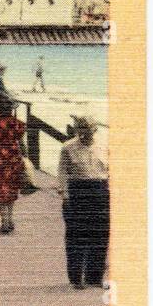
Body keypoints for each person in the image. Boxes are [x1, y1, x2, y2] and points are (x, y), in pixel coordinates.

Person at [58, 116, 109, 289]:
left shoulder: (104, 145)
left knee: (100, 235)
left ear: (95, 130)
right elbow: (62, 173)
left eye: (87, 130)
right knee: (76, 235)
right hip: (77, 190)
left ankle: (94, 277)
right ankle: (76, 278)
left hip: (100, 190)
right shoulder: (68, 147)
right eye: (80, 130)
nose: (84, 134)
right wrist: (65, 195)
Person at [0, 92, 27, 235]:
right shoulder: (17, 123)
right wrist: (25, 158)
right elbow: (21, 143)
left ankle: (4, 221)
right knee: (11, 188)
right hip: (13, 157)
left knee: (0, 188)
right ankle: (10, 218)